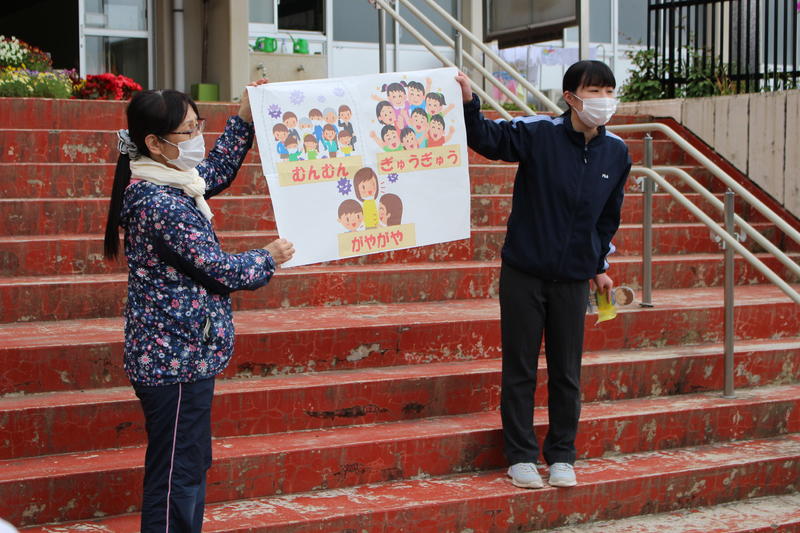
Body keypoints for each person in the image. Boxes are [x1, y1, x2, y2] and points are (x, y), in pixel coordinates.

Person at [103, 80, 295, 532]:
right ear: (155, 143)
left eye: (197, 126)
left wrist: (243, 119)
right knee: (177, 476)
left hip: (182, 355)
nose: (196, 138)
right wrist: (267, 257)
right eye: (187, 132)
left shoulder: (170, 181)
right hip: (174, 361)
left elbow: (214, 171)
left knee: (186, 466)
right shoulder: (161, 204)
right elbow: (219, 270)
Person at [455, 60, 630, 489]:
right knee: (520, 368)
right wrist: (469, 104)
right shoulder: (540, 133)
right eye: (594, 92)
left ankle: (562, 455)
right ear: (570, 97)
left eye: (609, 91)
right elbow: (488, 138)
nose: (604, 100)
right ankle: (520, 457)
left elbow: (607, 218)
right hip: (525, 272)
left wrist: (599, 266)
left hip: (572, 279)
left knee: (567, 372)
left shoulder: (616, 151)